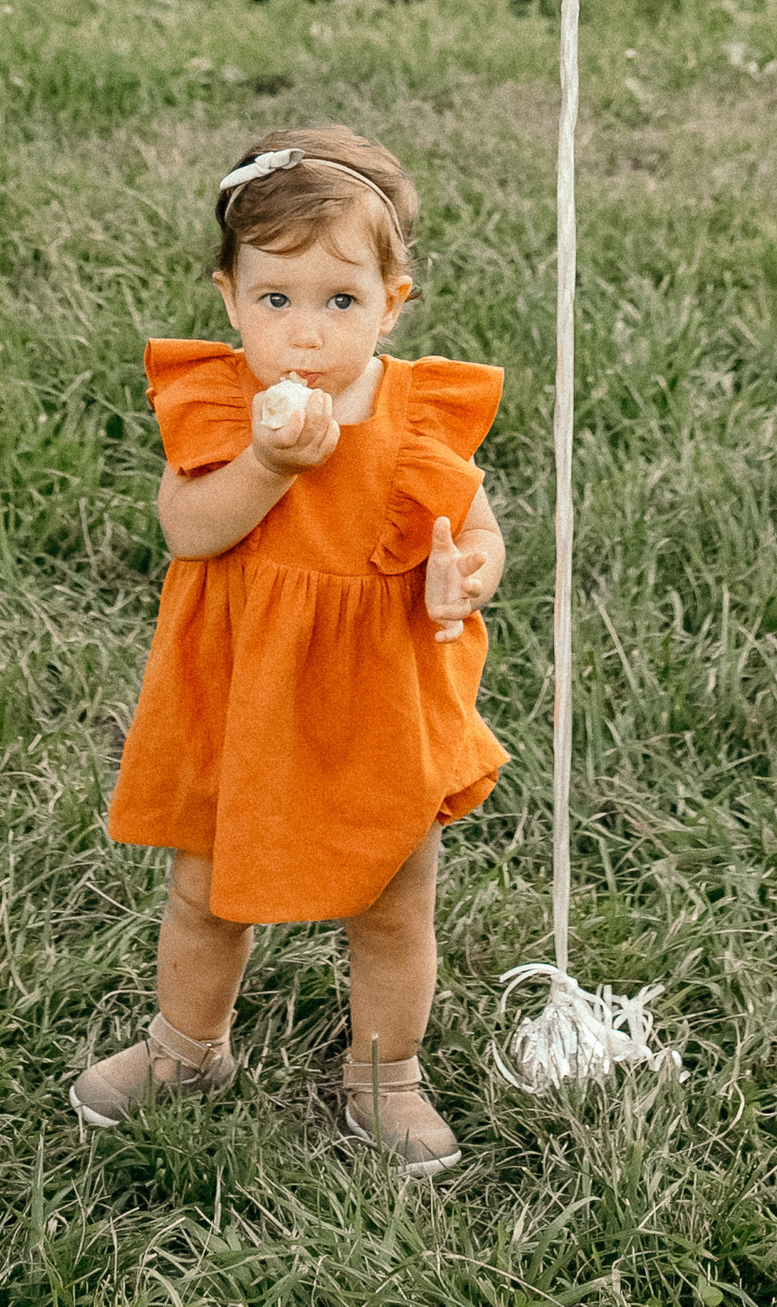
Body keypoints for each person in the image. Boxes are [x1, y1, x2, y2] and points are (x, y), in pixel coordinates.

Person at [70, 124, 508, 1175]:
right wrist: (269, 462)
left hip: (378, 702)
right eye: (276, 300)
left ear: (392, 303)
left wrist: (472, 570)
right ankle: (186, 1048)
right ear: (229, 298)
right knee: (208, 888)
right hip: (244, 699)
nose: (304, 331)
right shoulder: (223, 405)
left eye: (340, 302)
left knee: (396, 900)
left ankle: (384, 1073)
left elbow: (476, 523)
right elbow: (191, 527)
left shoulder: (418, 416)